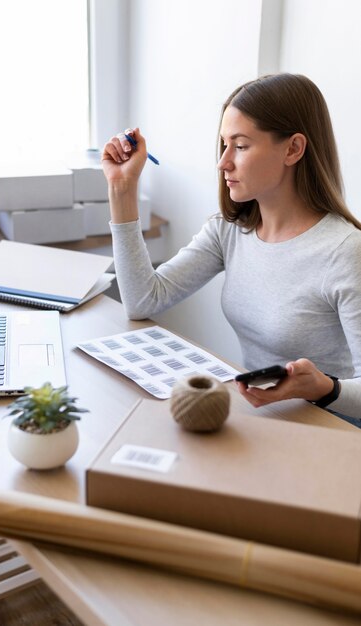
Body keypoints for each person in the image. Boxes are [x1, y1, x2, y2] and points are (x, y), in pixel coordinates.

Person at [101, 73, 361, 423]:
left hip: (331, 431)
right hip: (265, 420)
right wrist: (122, 189)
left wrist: (324, 388)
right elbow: (142, 300)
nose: (223, 162)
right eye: (224, 145)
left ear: (293, 149)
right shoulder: (230, 231)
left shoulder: (345, 251)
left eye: (240, 146)